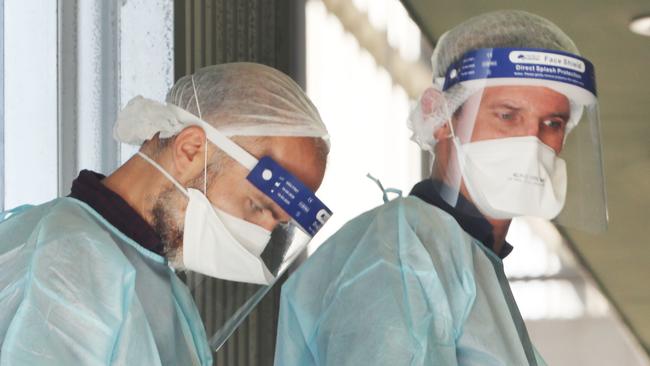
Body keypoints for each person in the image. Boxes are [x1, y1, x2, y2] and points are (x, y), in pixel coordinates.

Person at [273, 10, 607, 366]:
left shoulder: (469, 260)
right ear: (440, 118)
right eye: (507, 116)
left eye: (552, 123)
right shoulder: (401, 252)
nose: (531, 142)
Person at [0, 62, 332, 365]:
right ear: (190, 150)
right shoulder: (69, 256)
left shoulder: (161, 284)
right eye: (259, 206)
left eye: (278, 224)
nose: (261, 237)